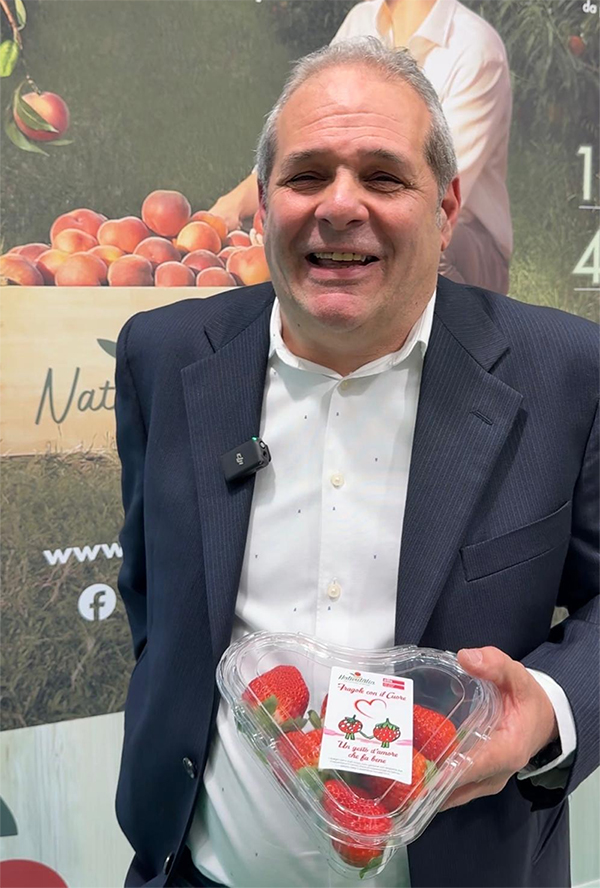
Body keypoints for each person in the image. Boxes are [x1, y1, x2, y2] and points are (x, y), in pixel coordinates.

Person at [114, 39, 598, 888]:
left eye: (383, 177)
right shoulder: (165, 355)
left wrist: (547, 712)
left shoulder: (563, 372)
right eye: (306, 176)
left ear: (446, 207)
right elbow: (152, 588)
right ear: (263, 202)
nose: (340, 206)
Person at [210, 0, 513, 294]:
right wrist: (230, 207)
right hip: (379, 206)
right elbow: (304, 136)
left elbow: (433, 190)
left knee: (419, 231)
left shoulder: (475, 49)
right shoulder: (362, 19)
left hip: (464, 246)